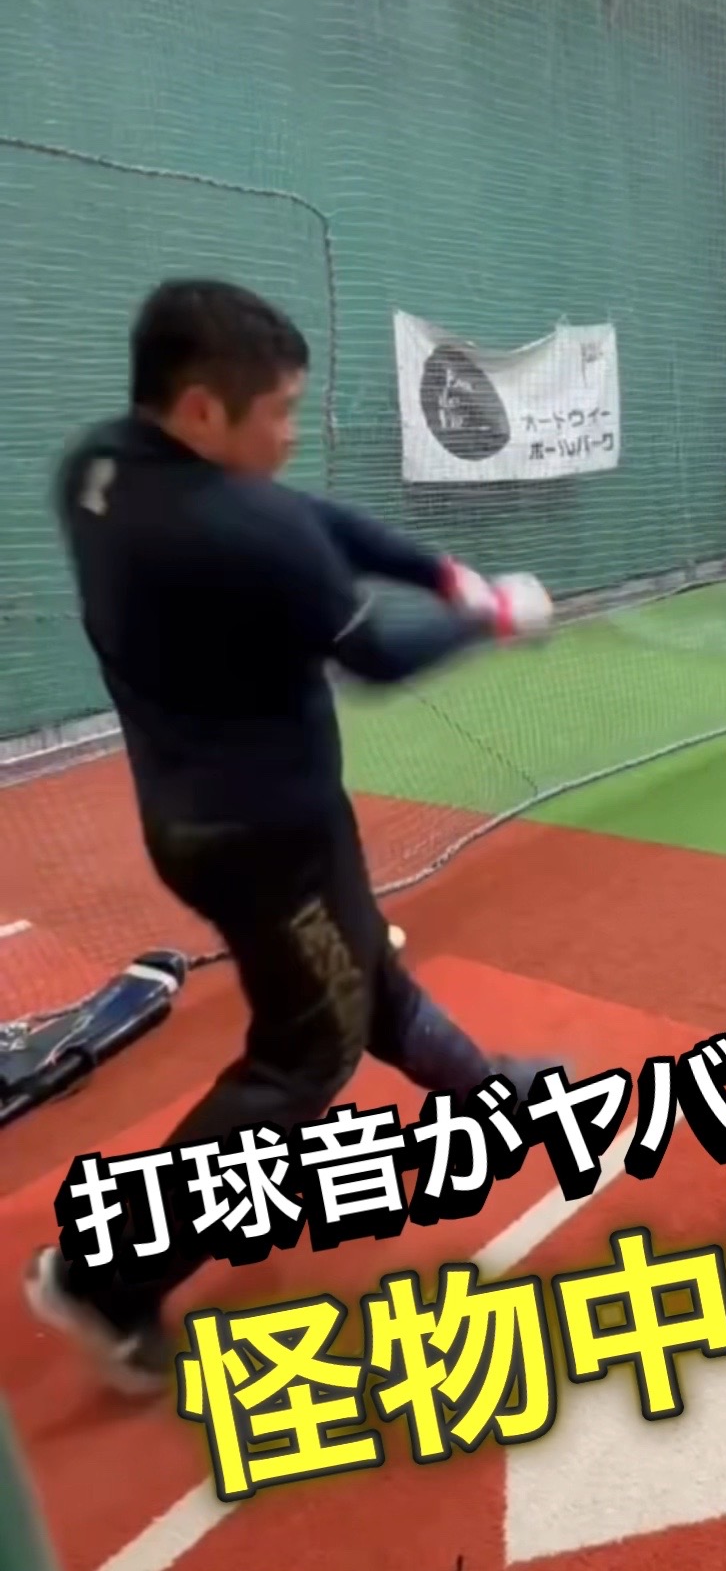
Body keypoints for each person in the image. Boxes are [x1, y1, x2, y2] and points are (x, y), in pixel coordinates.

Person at [26, 277, 559, 1395]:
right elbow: (377, 656)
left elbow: (320, 520)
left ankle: (478, 1092)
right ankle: (105, 1276)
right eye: (278, 411)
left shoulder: (97, 468)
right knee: (307, 1052)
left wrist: (438, 571)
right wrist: (493, 617)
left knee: (358, 967)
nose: (290, 432)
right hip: (269, 842)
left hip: (197, 817)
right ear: (200, 410)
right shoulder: (248, 531)